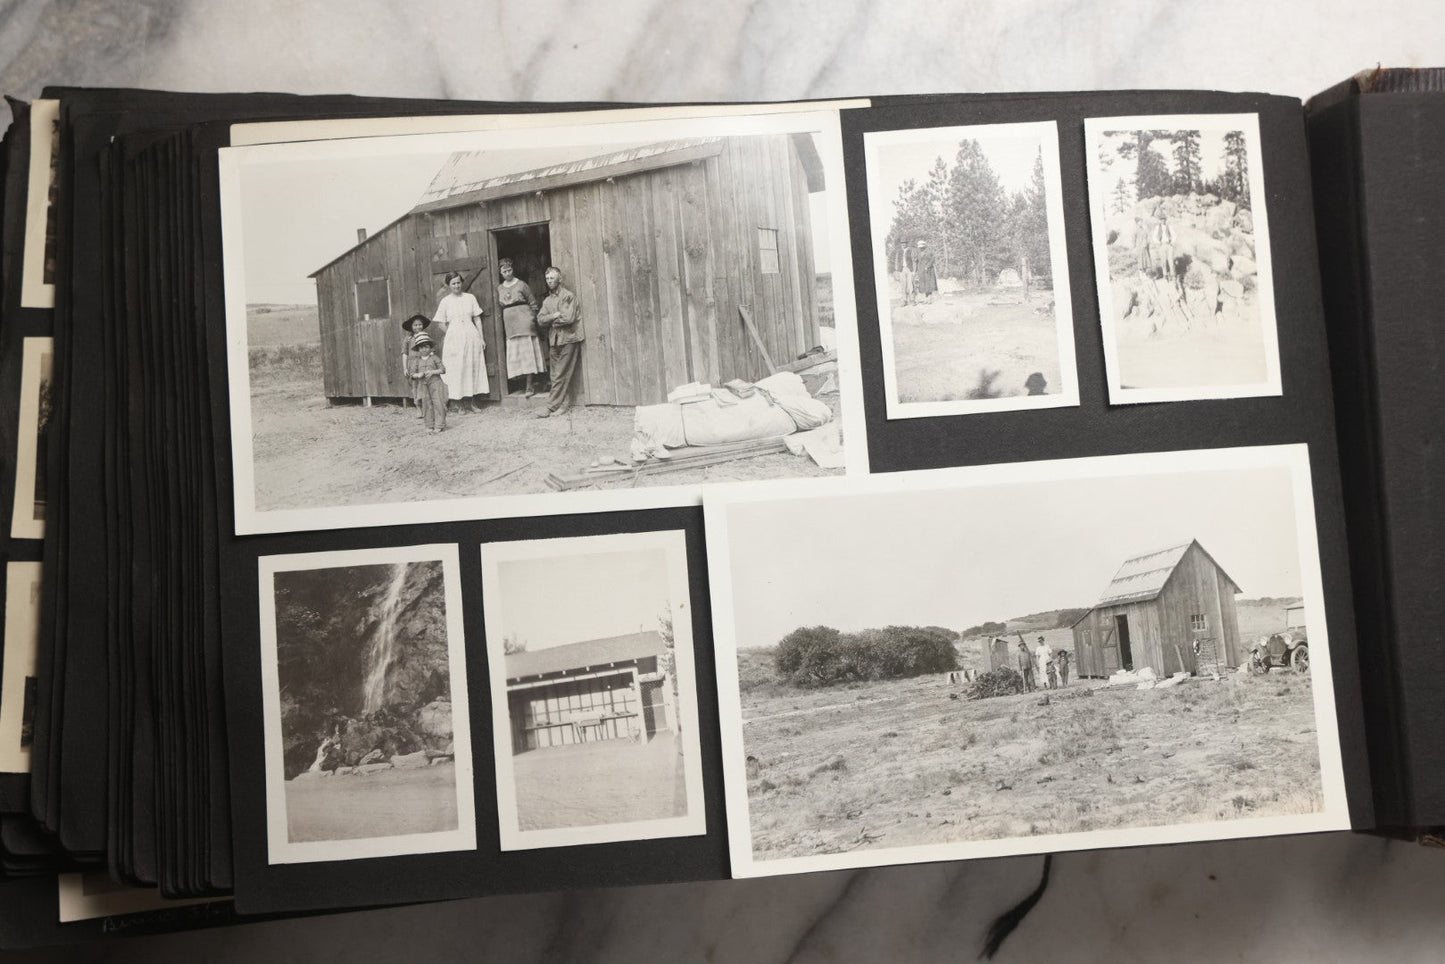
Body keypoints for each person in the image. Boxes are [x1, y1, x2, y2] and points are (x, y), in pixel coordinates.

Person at [433, 271, 488, 413]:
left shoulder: (470, 298)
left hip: (471, 336)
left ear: (461, 283)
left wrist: (481, 338)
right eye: (453, 283)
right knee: (457, 369)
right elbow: (440, 322)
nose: (456, 286)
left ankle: (472, 402)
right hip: (454, 339)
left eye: (458, 282)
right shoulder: (446, 301)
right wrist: (452, 333)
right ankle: (459, 404)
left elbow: (477, 318)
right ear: (448, 285)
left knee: (472, 368)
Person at [535, 266, 584, 418]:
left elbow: (568, 318)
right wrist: (553, 316)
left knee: (561, 373)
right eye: (547, 279)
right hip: (554, 341)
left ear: (559, 279)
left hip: (568, 339)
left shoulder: (568, 296)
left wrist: (553, 321)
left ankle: (551, 407)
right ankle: (563, 404)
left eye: (552, 278)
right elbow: (540, 319)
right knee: (555, 374)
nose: (549, 281)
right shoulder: (547, 301)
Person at [497, 258, 544, 399]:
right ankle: (520, 385)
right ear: (500, 272)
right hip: (511, 325)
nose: (507, 273)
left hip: (524, 322)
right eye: (504, 271)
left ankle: (529, 385)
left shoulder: (522, 284)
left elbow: (533, 303)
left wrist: (531, 319)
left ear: (513, 269)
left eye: (509, 270)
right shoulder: (499, 288)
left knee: (527, 353)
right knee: (516, 354)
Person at [408, 334, 447, 434]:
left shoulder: (434, 358)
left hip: (435, 383)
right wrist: (418, 375)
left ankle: (439, 425)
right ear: (418, 349)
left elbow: (443, 370)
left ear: (430, 347)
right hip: (423, 385)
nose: (424, 349)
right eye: (421, 347)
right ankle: (429, 425)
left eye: (426, 346)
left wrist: (432, 372)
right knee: (426, 404)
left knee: (438, 403)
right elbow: (412, 374)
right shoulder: (417, 361)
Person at [400, 314, 432, 418]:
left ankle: (427, 407)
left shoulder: (426, 337)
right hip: (412, 365)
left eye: (420, 324)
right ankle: (418, 407)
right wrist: (405, 368)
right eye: (415, 325)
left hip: (424, 364)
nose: (418, 327)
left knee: (425, 385)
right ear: (411, 327)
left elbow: (431, 351)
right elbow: (404, 354)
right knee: (415, 386)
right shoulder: (408, 339)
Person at [1149, 213, 1176, 280]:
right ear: (1160, 220)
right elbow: (1154, 237)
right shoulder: (1157, 227)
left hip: (1169, 245)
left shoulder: (1169, 226)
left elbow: (1174, 235)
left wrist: (1172, 242)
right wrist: (1158, 242)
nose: (1163, 221)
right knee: (1163, 261)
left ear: (1166, 220)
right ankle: (1165, 274)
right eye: (1161, 220)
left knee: (1171, 260)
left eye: (1164, 219)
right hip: (1162, 245)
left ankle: (1173, 274)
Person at [901, 239, 916, 306]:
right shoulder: (900, 251)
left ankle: (912, 300)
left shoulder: (910, 250)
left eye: (904, 243)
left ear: (907, 244)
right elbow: (897, 260)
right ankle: (904, 301)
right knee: (903, 285)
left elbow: (914, 260)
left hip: (909, 269)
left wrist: (914, 271)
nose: (903, 244)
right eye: (902, 243)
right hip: (902, 269)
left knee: (910, 285)